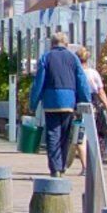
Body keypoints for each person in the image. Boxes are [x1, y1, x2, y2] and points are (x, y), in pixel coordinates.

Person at [30, 33, 89, 166]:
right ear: (66, 44)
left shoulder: (46, 57)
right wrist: (86, 101)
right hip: (68, 101)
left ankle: (55, 167)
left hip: (51, 101)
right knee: (65, 135)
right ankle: (62, 165)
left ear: (52, 44)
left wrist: (33, 103)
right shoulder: (73, 58)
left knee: (53, 134)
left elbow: (38, 83)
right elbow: (82, 81)